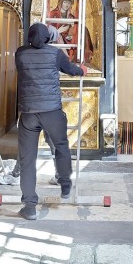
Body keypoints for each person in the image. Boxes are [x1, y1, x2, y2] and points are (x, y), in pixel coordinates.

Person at [15, 22, 88, 220]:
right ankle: (65, 185)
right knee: (61, 146)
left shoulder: (20, 53)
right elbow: (71, 69)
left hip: (29, 113)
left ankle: (30, 206)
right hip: (52, 112)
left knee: (27, 159)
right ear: (48, 37)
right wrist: (82, 70)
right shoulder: (55, 54)